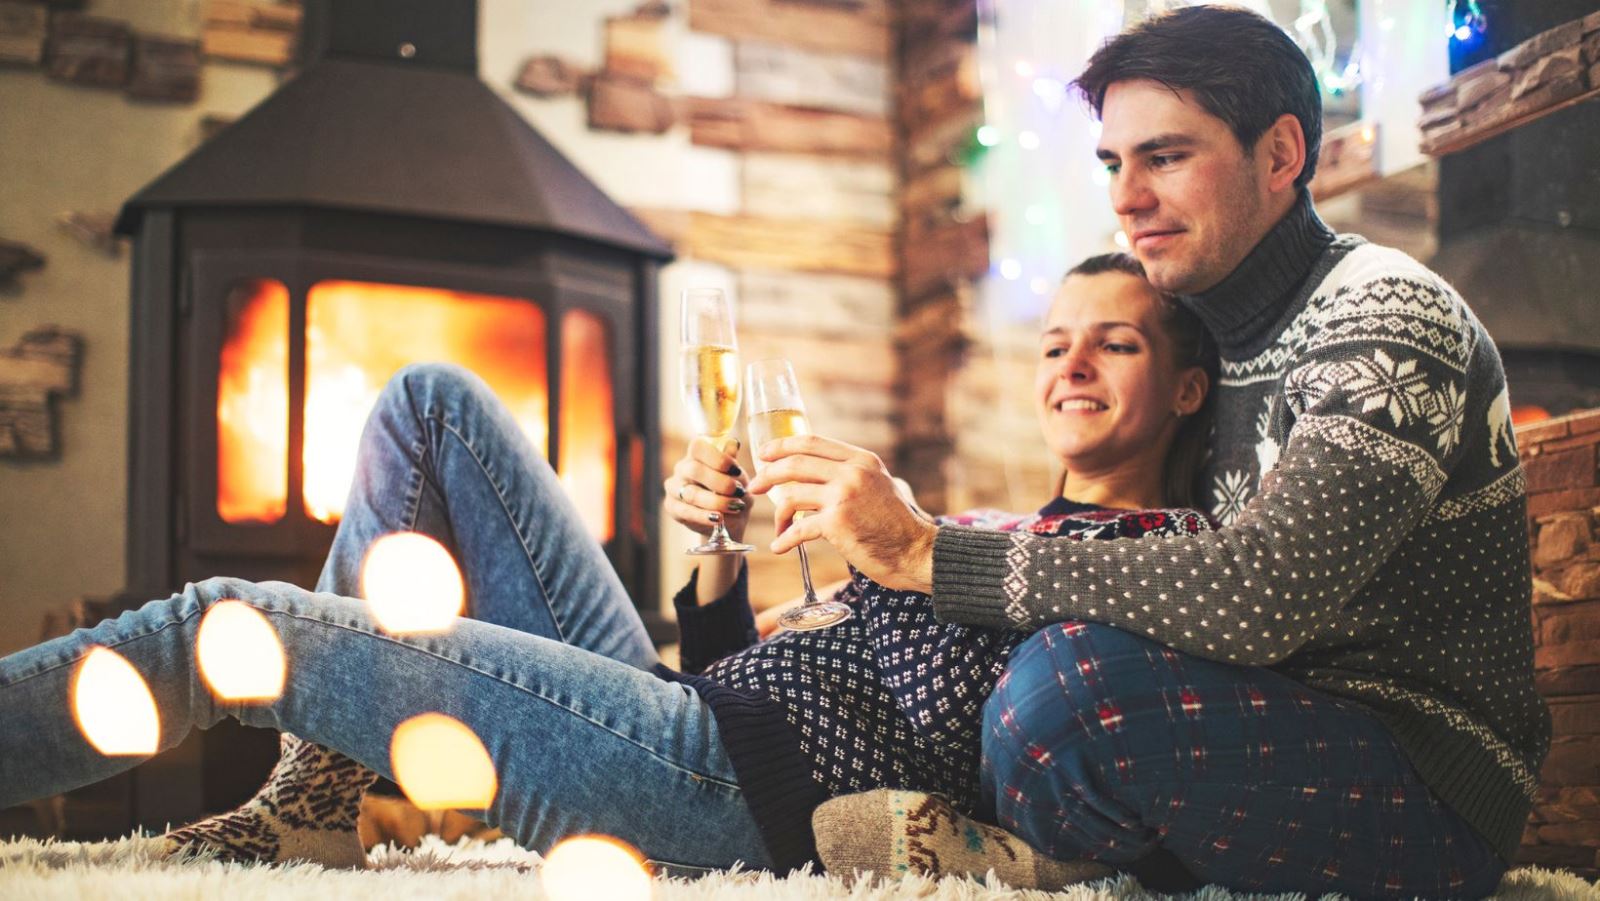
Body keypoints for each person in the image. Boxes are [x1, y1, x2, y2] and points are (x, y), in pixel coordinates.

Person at [0, 256, 1209, 885]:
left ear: (1187, 386)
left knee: (237, 620)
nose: (1072, 365)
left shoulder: (1145, 565)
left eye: (1116, 341)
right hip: (695, 712)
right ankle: (313, 807)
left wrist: (898, 556)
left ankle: (291, 803)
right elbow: (754, 677)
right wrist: (715, 554)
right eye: (1056, 342)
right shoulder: (984, 526)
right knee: (434, 404)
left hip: (718, 789)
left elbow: (965, 744)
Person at [783, 6, 1547, 898]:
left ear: (1282, 154)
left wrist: (931, 551)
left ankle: (1053, 864)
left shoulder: (1383, 314)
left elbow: (1264, 592)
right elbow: (1131, 553)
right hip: (1246, 724)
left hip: (1422, 782)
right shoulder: (1211, 354)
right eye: (1114, 162)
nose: (1126, 197)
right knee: (1005, 663)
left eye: (1166, 157)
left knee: (1068, 689)